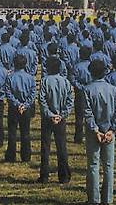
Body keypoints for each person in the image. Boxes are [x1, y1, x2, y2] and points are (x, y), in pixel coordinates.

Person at [83, 59, 116, 205]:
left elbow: (87, 113)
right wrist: (112, 129)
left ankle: (94, 199)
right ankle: (108, 199)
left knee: (93, 165)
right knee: (108, 166)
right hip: (108, 131)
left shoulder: (87, 90)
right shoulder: (113, 89)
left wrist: (95, 130)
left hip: (94, 132)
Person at [38, 56, 74, 184]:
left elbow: (42, 101)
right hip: (60, 119)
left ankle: (44, 176)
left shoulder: (44, 81)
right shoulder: (66, 82)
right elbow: (70, 101)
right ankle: (64, 176)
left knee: (45, 147)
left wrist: (50, 114)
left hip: (47, 119)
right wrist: (61, 115)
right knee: (62, 147)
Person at [3, 54, 37, 162]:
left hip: (13, 108)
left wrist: (17, 104)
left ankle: (11, 155)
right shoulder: (30, 78)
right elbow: (32, 93)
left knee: (12, 133)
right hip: (25, 108)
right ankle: (26, 156)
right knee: (25, 132)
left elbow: (8, 93)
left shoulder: (10, 77)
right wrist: (25, 105)